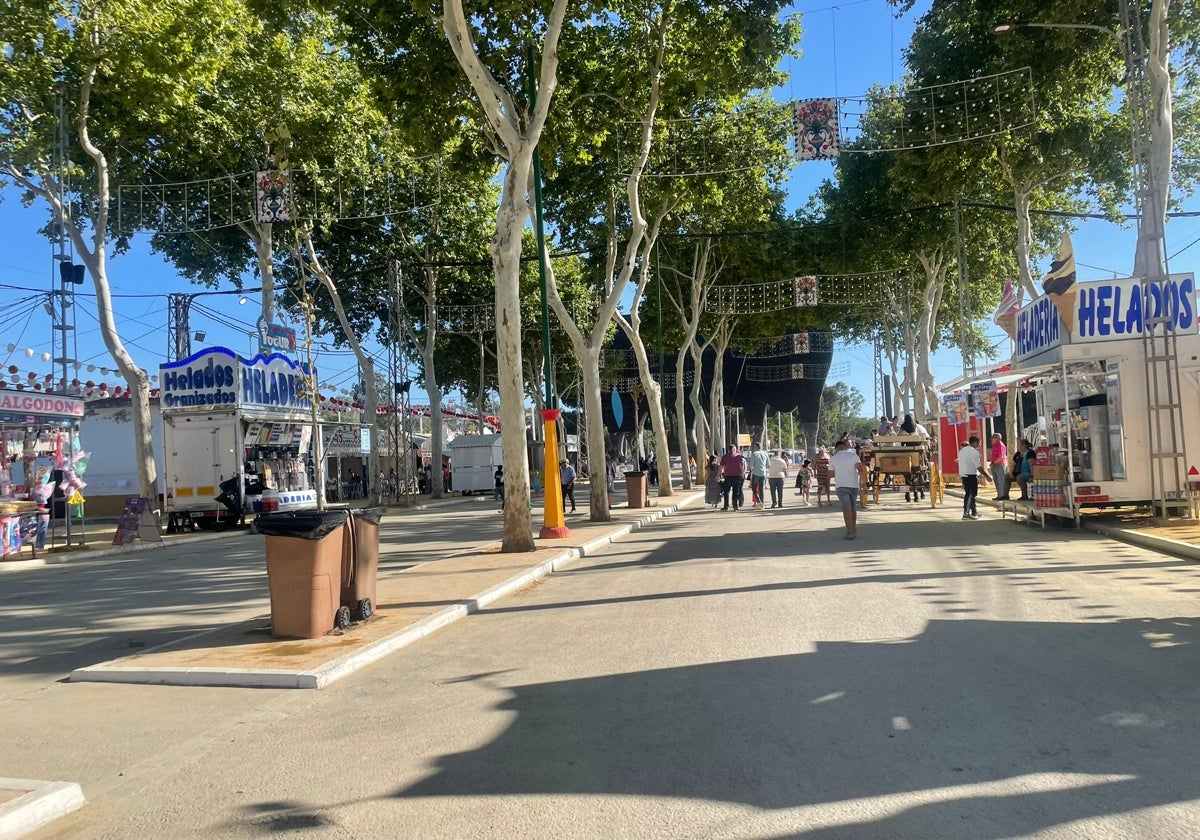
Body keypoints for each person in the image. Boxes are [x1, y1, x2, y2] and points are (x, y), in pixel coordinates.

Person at [830, 439, 868, 539]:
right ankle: (853, 528)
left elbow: (830, 474)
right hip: (853, 485)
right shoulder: (853, 456)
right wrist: (864, 484)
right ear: (845, 447)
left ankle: (850, 531)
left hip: (841, 485)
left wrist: (839, 471)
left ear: (836, 449)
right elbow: (860, 470)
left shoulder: (833, 458)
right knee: (852, 507)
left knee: (846, 508)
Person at [958, 435, 989, 519]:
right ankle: (966, 513)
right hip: (970, 474)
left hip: (964, 474)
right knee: (970, 494)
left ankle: (974, 511)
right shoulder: (974, 452)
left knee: (971, 494)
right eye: (979, 443)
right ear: (974, 442)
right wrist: (986, 476)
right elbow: (978, 466)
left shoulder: (962, 451)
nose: (979, 445)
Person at [719, 445, 746, 511]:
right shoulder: (739, 456)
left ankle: (726, 506)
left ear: (728, 450)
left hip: (728, 476)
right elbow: (742, 466)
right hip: (737, 476)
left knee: (726, 491)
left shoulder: (725, 457)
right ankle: (735, 506)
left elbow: (721, 467)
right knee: (735, 491)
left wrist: (719, 474)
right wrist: (742, 474)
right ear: (734, 449)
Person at [747, 442, 771, 509]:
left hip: (756, 473)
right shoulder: (765, 454)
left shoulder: (754, 454)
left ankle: (759, 501)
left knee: (754, 488)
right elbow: (768, 465)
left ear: (756, 447)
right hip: (763, 473)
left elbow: (751, 465)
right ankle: (762, 503)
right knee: (761, 489)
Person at [989, 432, 1009, 500]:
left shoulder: (1000, 445)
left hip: (999, 465)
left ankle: (1002, 495)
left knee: (1001, 481)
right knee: (996, 481)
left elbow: (1001, 457)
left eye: (993, 438)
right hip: (994, 465)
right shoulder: (995, 445)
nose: (992, 439)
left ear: (998, 438)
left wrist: (994, 463)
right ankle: (999, 495)